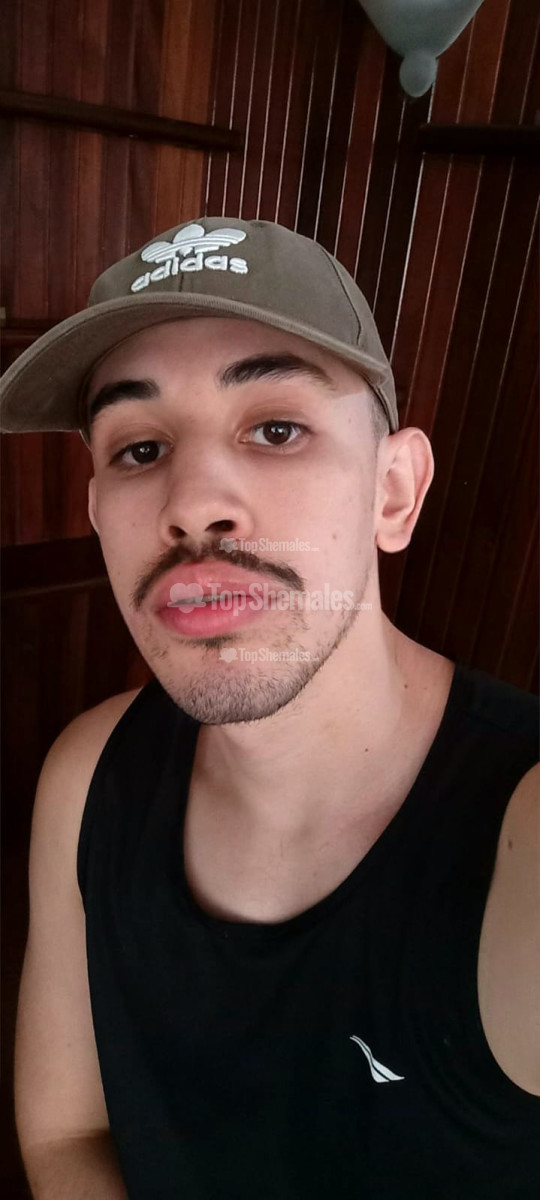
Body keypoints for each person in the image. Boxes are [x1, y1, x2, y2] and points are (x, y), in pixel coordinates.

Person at [1, 217, 538, 1200]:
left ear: (393, 492)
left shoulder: (523, 835)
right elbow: (69, 1133)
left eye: (277, 429)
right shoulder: (87, 776)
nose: (192, 502)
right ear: (98, 516)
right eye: (140, 447)